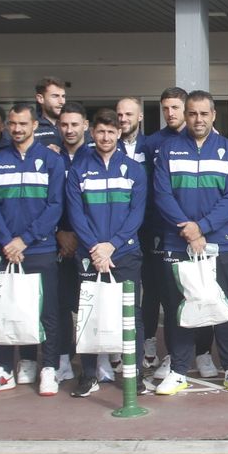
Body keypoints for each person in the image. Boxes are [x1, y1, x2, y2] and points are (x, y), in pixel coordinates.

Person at [154, 90, 228, 395]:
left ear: (213, 115)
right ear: (185, 115)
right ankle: (179, 369)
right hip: (178, 242)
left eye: (204, 114)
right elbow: (163, 196)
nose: (198, 119)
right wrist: (190, 231)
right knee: (179, 309)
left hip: (220, 242)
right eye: (192, 113)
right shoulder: (168, 150)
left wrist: (202, 228)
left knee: (223, 306)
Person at [0, 103, 66, 395]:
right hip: (3, 249)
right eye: (13, 124)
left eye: (23, 124)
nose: (17, 129)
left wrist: (25, 239)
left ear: (34, 126)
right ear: (6, 126)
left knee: (46, 312)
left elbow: (55, 206)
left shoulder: (52, 160)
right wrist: (7, 241)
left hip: (39, 248)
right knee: (4, 310)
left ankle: (48, 367)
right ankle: (4, 370)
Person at [64, 108, 147, 397]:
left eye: (111, 132)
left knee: (131, 316)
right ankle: (88, 375)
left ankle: (133, 373)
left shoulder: (134, 169)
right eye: (100, 131)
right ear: (92, 132)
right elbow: (76, 215)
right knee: (89, 313)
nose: (106, 137)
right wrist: (95, 249)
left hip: (124, 253)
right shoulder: (78, 169)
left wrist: (112, 245)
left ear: (119, 133)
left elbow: (136, 214)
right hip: (90, 254)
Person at [140, 87, 187, 368]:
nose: (170, 113)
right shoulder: (152, 142)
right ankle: (153, 347)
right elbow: (150, 189)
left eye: (175, 107)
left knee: (184, 295)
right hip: (157, 230)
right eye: (165, 108)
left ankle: (185, 352)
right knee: (157, 292)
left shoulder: (198, 139)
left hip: (190, 231)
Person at [52, 102, 90, 380]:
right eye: (64, 124)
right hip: (58, 242)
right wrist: (59, 232)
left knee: (91, 303)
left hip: (88, 242)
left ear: (85, 126)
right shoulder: (50, 157)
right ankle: (63, 357)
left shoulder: (95, 156)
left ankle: (96, 360)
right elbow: (45, 201)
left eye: (75, 124)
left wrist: (80, 235)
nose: (69, 130)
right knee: (60, 304)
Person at [33, 76, 67, 147]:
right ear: (40, 98)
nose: (61, 101)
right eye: (55, 96)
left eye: (63, 96)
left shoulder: (74, 125)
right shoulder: (31, 128)